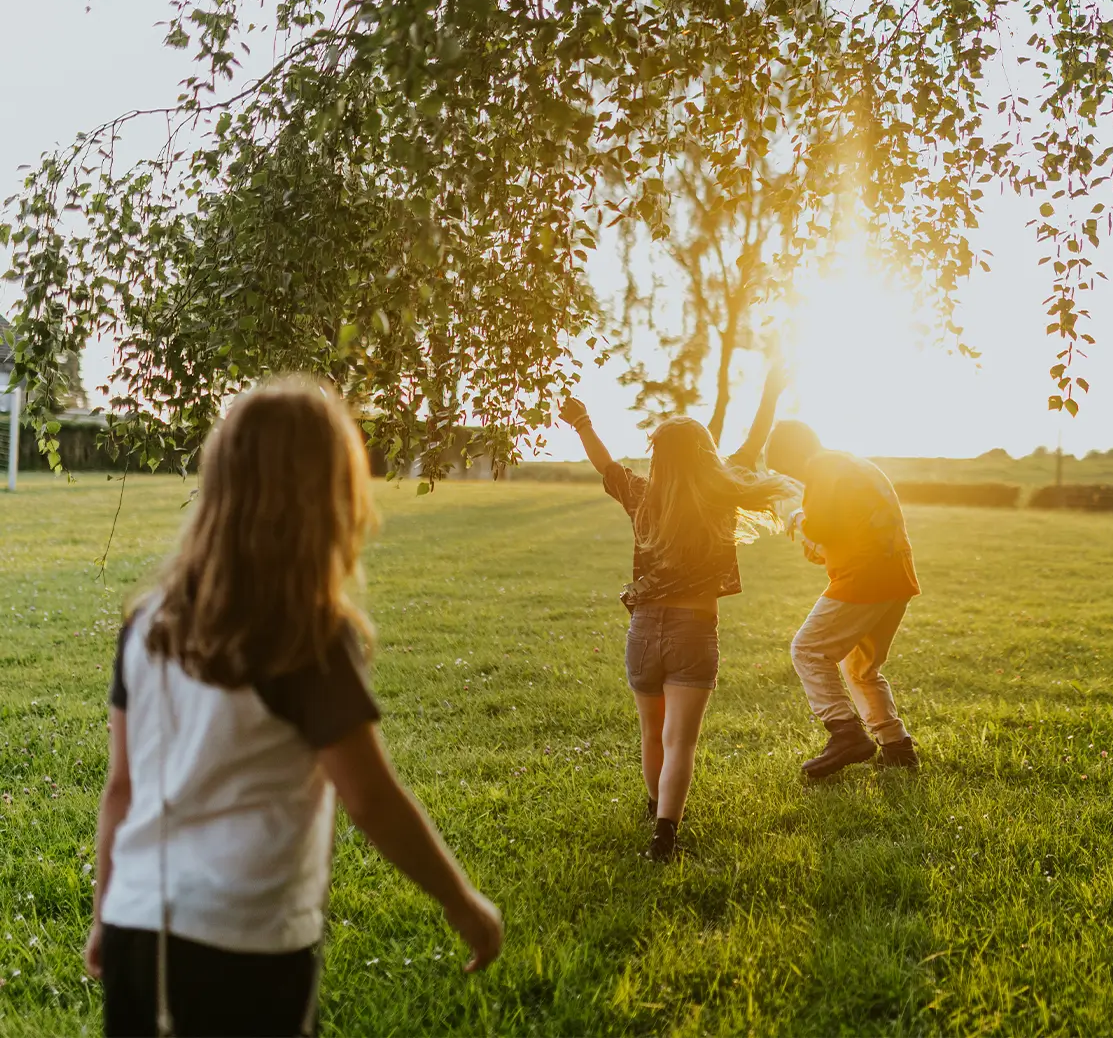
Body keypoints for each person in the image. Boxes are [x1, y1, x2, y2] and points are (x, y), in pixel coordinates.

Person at [87, 377, 502, 1038]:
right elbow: (369, 797)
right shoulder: (302, 637)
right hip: (245, 943)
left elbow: (121, 790)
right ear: (329, 501)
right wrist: (461, 901)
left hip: (139, 927)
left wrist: (106, 911)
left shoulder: (147, 625)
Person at [560, 365, 792, 861]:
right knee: (680, 741)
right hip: (694, 630)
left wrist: (582, 422)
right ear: (706, 454)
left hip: (643, 630)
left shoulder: (644, 497)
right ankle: (665, 834)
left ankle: (655, 806)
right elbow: (752, 443)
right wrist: (770, 391)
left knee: (652, 733)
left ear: (659, 457)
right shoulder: (721, 494)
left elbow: (607, 467)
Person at [765, 421, 921, 781]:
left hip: (863, 578)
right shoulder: (855, 465)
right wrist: (820, 545)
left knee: (807, 650)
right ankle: (897, 747)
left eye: (788, 470)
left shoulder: (822, 467)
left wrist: (795, 517)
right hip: (896, 577)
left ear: (795, 455)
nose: (796, 480)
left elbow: (819, 527)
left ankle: (845, 732)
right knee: (861, 668)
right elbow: (844, 531)